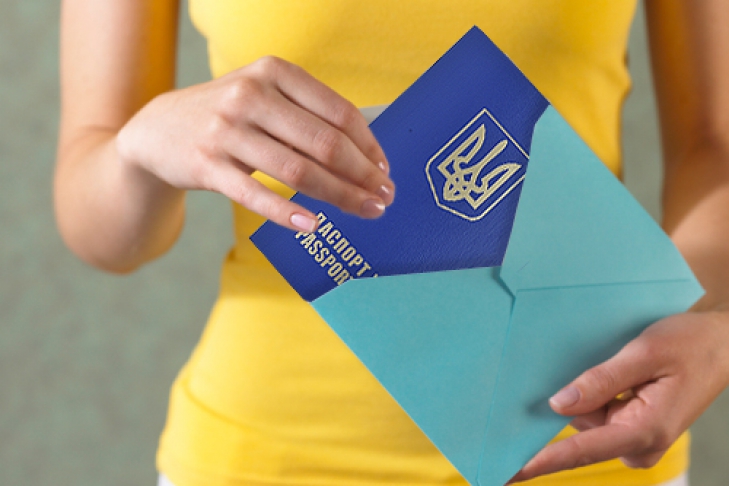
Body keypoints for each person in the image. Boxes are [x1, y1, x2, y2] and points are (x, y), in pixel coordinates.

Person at [54, 1, 729, 485]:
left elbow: (713, 146)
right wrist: (141, 147)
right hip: (269, 453)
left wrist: (708, 326)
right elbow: (104, 235)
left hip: (588, 434)